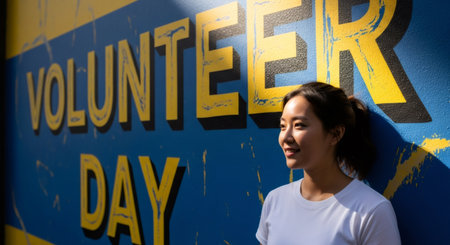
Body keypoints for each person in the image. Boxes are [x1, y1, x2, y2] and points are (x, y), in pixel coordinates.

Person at [256, 82, 401, 245]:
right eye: (283, 126)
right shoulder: (275, 200)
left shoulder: (372, 210)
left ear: (335, 134)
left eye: (299, 125)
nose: (286, 137)